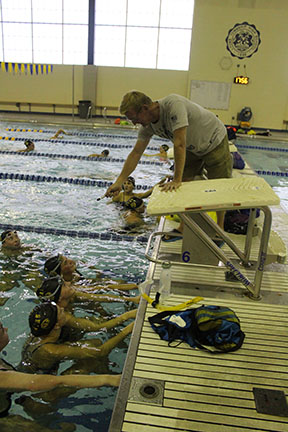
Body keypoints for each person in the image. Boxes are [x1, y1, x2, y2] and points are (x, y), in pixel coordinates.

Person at [105, 91, 232, 240]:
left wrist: (176, 179)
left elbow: (179, 143)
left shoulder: (173, 105)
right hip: (191, 147)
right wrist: (119, 182)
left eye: (134, 118)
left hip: (214, 140)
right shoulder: (147, 126)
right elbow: (136, 153)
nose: (134, 123)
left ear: (145, 108)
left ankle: (220, 228)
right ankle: (183, 227)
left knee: (219, 186)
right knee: (183, 186)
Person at [0, 320, 121, 419]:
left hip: (15, 394)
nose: (6, 329)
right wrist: (109, 379)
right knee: (67, 427)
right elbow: (54, 381)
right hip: (6, 415)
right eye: (1, 330)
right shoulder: (48, 350)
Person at [19, 302, 135, 374]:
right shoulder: (50, 350)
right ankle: (106, 372)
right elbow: (101, 351)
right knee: (92, 361)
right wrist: (127, 330)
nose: (63, 309)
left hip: (34, 361)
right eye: (60, 312)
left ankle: (104, 368)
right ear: (56, 325)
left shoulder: (40, 331)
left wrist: (127, 315)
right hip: (40, 376)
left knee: (94, 342)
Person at [36, 275, 140, 308]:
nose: (68, 283)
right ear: (59, 298)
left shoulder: (72, 291)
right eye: (64, 285)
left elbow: (100, 290)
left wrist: (136, 286)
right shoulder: (63, 314)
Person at [44, 253, 139, 290]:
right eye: (66, 263)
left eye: (67, 258)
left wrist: (96, 270)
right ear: (61, 273)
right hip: (85, 290)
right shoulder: (68, 286)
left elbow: (81, 261)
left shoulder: (72, 271)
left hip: (87, 283)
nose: (71, 261)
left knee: (122, 283)